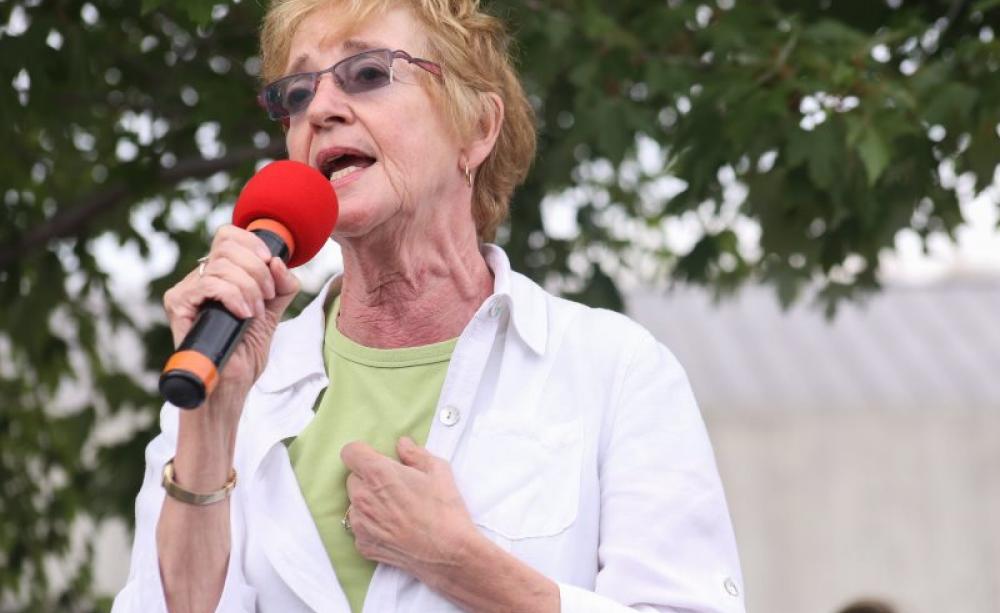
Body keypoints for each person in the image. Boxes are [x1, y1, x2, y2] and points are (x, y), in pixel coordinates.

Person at [113, 1, 745, 611]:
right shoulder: (227, 375)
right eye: (297, 94)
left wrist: (462, 565)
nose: (321, 109)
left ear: (476, 127)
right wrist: (211, 423)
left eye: (366, 74)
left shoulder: (614, 369)